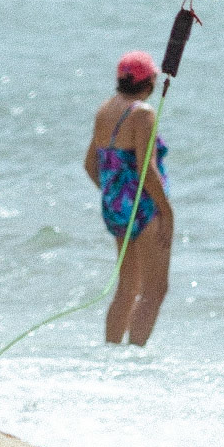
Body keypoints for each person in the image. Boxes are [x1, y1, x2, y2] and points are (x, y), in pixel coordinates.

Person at [84, 50, 175, 345]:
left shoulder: (105, 109)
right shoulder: (142, 113)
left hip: (116, 209)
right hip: (144, 208)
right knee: (154, 290)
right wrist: (167, 212)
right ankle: (134, 356)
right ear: (149, 82)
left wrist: (115, 195)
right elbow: (147, 170)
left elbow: (90, 164)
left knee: (127, 288)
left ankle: (112, 352)